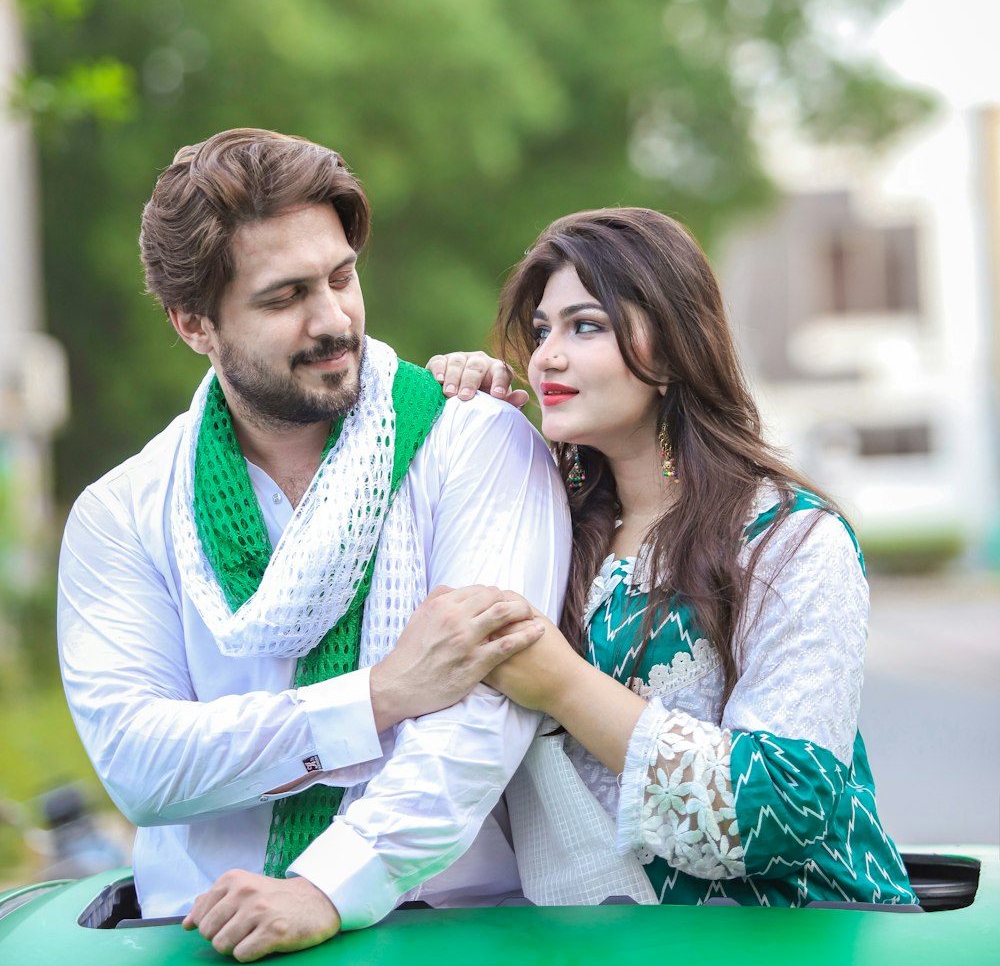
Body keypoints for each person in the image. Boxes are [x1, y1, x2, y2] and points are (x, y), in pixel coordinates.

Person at [57, 128, 571, 961]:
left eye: (341, 276)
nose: (334, 320)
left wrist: (325, 888)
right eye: (284, 296)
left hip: (446, 931)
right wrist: (376, 698)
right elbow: (142, 764)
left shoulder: (473, 442)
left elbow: (478, 728)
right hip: (197, 940)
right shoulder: (122, 513)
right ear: (194, 324)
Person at [428, 206, 917, 908]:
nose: (546, 357)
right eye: (541, 331)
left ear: (670, 346)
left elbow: (780, 808)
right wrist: (463, 421)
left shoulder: (787, 540)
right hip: (580, 938)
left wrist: (562, 683)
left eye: (584, 326)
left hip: (790, 936)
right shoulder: (543, 519)